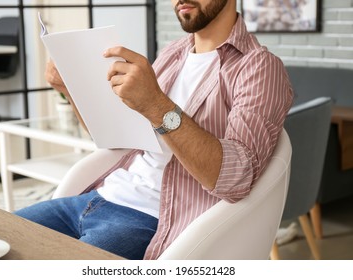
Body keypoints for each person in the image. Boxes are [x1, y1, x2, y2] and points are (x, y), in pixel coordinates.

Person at [15, 0, 293, 260]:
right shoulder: (173, 53)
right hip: (95, 197)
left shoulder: (259, 67)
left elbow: (237, 180)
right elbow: (117, 138)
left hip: (149, 219)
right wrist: (69, 88)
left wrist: (155, 104)